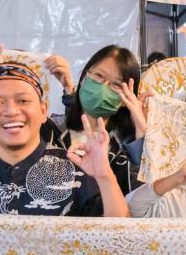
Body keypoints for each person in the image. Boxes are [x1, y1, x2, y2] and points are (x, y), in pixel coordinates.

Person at [0, 63, 128, 217]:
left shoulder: (78, 171)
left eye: (23, 101)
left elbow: (118, 239)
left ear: (43, 111)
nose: (11, 111)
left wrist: (105, 176)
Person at [51, 45, 148, 199]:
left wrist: (141, 130)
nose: (103, 88)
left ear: (127, 98)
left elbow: (142, 197)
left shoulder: (126, 148)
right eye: (98, 75)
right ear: (83, 78)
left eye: (116, 84)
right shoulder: (52, 130)